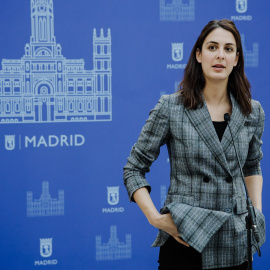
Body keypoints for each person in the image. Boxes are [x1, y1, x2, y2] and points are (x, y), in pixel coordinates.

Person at [123, 19, 265, 270]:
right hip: (186, 239)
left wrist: (255, 214)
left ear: (237, 59)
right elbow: (133, 169)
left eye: (228, 49)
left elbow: (252, 166)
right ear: (198, 55)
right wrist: (156, 218)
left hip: (235, 242)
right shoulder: (171, 107)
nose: (220, 55)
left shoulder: (252, 112)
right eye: (212, 47)